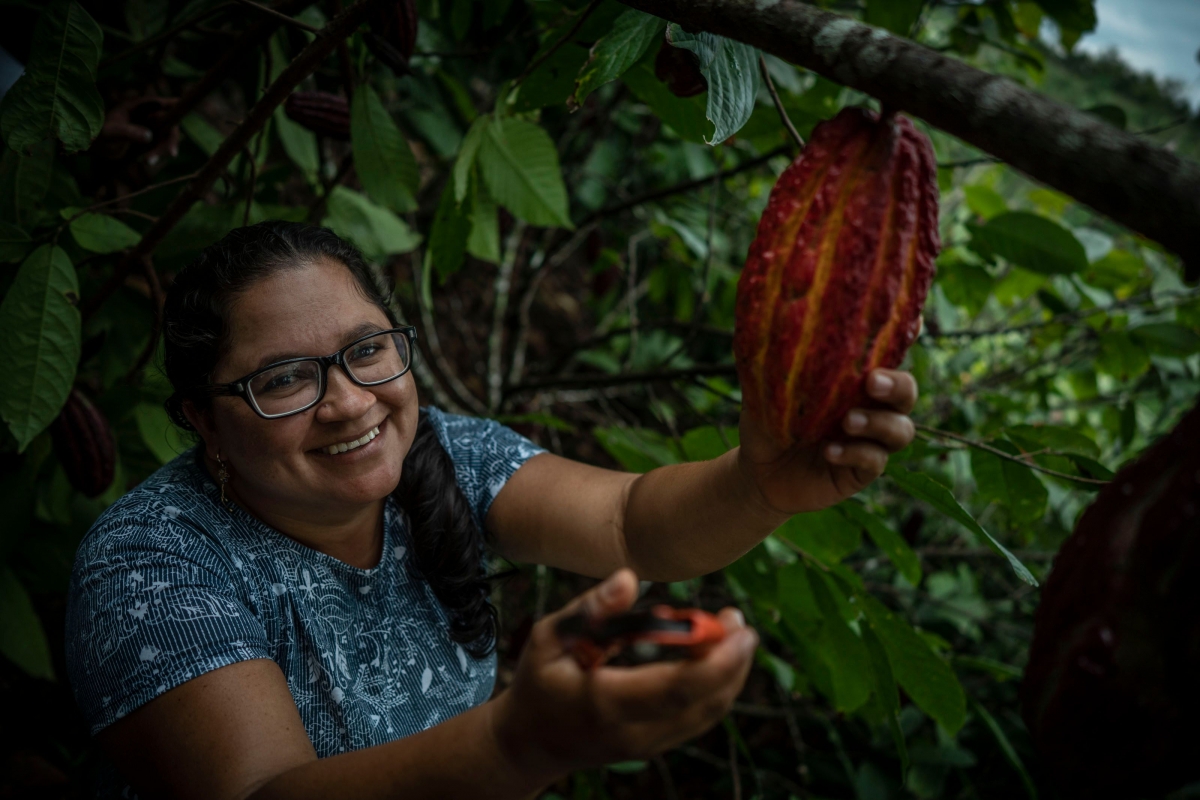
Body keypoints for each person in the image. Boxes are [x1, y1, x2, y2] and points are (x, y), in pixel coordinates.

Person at [65, 221, 918, 799]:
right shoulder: (151, 565)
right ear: (204, 423)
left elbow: (628, 524)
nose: (350, 404)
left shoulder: (443, 450)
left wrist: (760, 483)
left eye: (367, 351)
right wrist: (519, 744)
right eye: (284, 378)